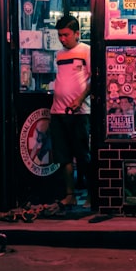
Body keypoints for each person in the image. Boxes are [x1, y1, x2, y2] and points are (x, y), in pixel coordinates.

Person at [50, 14, 92, 208]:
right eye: (60, 35)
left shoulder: (86, 51)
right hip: (58, 111)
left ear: (77, 33)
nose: (62, 39)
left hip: (80, 112)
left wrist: (81, 98)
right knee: (63, 156)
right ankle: (70, 195)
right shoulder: (58, 55)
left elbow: (95, 79)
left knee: (83, 156)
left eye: (66, 35)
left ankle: (92, 195)